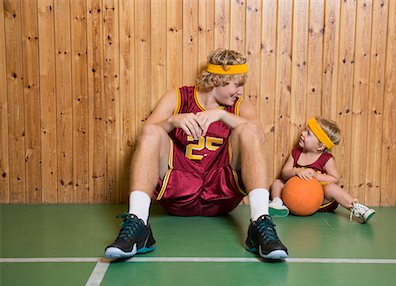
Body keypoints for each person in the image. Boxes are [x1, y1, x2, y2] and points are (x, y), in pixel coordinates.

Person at [104, 48, 288, 261]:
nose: (240, 92)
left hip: (221, 192)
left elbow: (259, 136)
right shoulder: (178, 97)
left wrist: (221, 115)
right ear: (218, 80)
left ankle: (259, 223)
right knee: (152, 131)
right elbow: (146, 134)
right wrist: (173, 121)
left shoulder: (240, 106)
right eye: (236, 85)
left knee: (249, 129)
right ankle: (139, 223)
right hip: (179, 188)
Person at [269, 116, 375, 222]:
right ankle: (277, 203)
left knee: (331, 188)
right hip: (295, 198)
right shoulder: (295, 153)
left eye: (308, 133)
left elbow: (335, 178)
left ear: (320, 146)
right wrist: (297, 171)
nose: (303, 133)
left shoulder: (326, 159)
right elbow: (284, 173)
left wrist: (316, 176)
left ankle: (355, 206)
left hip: (320, 200)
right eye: (305, 130)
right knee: (278, 183)